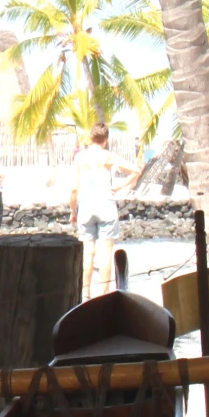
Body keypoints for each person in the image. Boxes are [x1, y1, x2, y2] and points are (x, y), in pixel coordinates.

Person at [70, 123, 128, 293]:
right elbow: (136, 170)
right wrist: (121, 186)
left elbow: (74, 188)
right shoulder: (108, 156)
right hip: (106, 206)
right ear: (106, 140)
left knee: (87, 254)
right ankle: (104, 296)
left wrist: (73, 211)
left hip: (86, 207)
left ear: (90, 137)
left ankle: (85, 294)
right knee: (105, 255)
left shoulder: (80, 157)